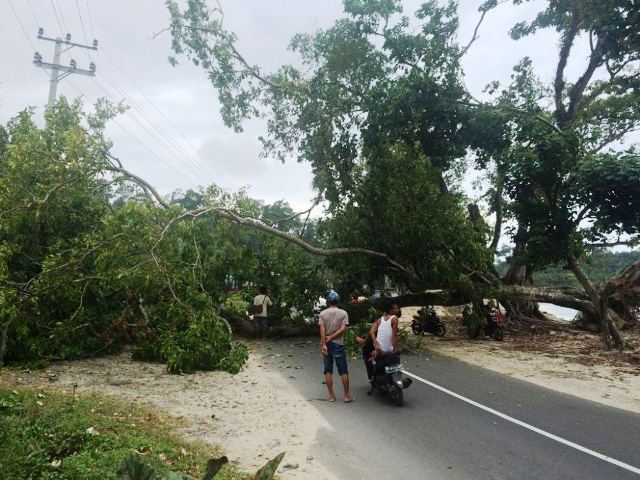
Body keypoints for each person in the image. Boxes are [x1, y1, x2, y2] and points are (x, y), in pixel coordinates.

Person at [319, 291, 353, 403]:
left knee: (328, 370)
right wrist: (333, 337)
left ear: (328, 301)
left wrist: (324, 344)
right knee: (343, 371)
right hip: (338, 344)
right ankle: (347, 396)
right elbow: (343, 329)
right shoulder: (343, 313)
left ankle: (332, 396)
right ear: (338, 301)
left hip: (327, 345)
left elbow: (322, 330)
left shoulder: (323, 314)